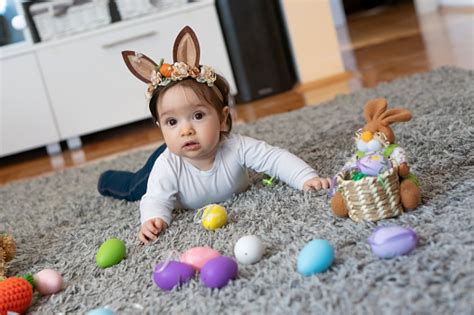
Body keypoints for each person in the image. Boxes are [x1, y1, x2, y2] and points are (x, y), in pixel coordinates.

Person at [97, 26, 331, 244]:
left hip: (189, 148)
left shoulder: (237, 147)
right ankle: (106, 179)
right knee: (134, 189)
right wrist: (153, 219)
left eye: (198, 116)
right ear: (160, 127)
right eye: (171, 122)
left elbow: (275, 159)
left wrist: (306, 178)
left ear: (221, 118)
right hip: (170, 154)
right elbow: (156, 198)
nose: (185, 129)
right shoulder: (167, 165)